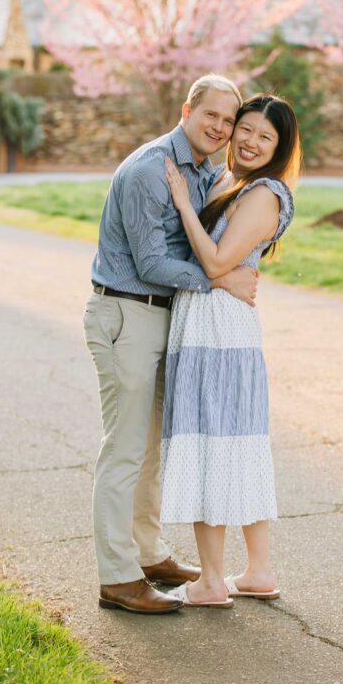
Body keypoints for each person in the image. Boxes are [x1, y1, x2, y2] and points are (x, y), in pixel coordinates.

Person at [84, 74, 260, 615]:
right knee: (124, 449)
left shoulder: (207, 168)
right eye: (212, 115)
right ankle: (117, 577)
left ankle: (149, 555)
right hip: (127, 313)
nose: (221, 128)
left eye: (229, 121)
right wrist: (222, 277)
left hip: (168, 319)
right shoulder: (149, 169)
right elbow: (151, 263)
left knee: (153, 452)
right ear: (187, 109)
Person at [160, 94, 300, 608]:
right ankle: (258, 571)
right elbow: (222, 271)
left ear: (280, 148)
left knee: (209, 443)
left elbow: (217, 261)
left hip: (217, 332)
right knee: (234, 443)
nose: (251, 141)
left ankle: (212, 581)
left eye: (266, 137)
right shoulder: (231, 182)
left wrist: (181, 203)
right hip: (215, 326)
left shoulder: (265, 193)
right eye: (247, 129)